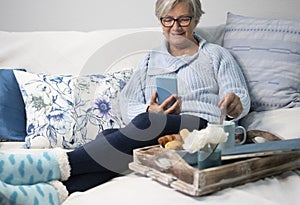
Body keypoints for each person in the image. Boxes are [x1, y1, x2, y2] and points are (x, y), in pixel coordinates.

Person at [0, 0, 250, 204]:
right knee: (108, 138)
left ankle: (49, 164)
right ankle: (51, 194)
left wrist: (233, 107)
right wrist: (148, 110)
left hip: (200, 129)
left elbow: (239, 96)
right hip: (160, 136)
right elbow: (127, 101)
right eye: (168, 20)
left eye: (184, 19)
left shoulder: (216, 55)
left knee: (143, 125)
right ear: (160, 21)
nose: (176, 27)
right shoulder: (151, 60)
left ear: (195, 20)